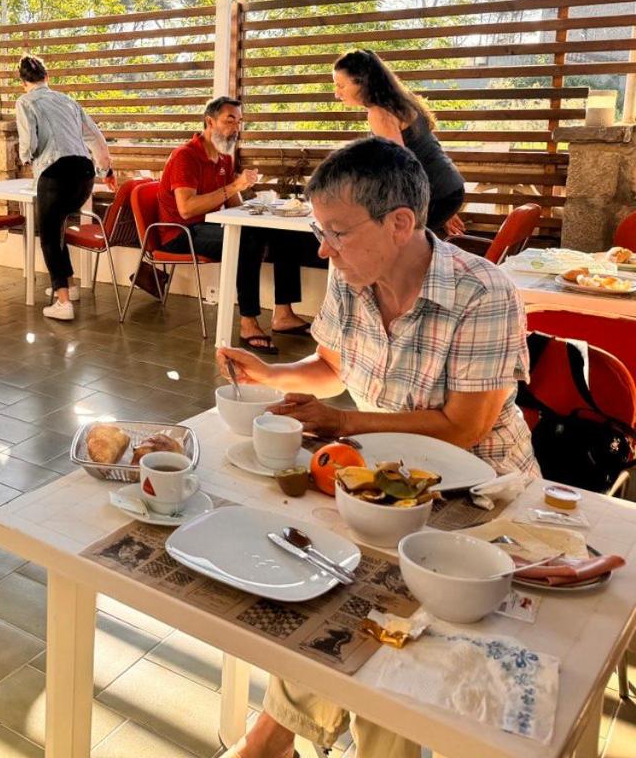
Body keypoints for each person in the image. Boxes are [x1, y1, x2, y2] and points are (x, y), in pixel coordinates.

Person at [217, 137, 537, 758]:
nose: (324, 249)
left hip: (481, 499)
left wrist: (342, 424)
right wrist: (268, 374)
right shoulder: (352, 279)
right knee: (327, 583)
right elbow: (332, 367)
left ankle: (273, 740)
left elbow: (464, 428)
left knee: (387, 616)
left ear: (400, 223)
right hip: (384, 488)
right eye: (320, 232)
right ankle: (275, 740)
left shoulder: (482, 292)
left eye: (336, 233)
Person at [156, 96, 320, 353]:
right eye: (230, 120)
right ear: (210, 122)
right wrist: (234, 186)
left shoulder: (224, 158)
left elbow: (234, 205)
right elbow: (186, 209)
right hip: (181, 233)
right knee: (246, 240)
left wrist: (259, 205)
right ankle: (248, 322)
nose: (236, 128)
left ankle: (283, 314)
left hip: (209, 226)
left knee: (282, 234)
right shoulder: (185, 156)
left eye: (240, 121)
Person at [14, 53, 114, 321]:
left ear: (23, 82)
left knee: (48, 236)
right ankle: (69, 285)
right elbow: (95, 138)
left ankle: (63, 302)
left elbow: (29, 143)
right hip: (84, 175)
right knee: (57, 227)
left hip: (56, 174)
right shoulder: (68, 100)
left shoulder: (25, 101)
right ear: (47, 77)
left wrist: (26, 158)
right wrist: (106, 171)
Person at [333, 48, 466, 236]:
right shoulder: (401, 99)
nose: (336, 94)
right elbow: (425, 148)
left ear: (362, 83)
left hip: (437, 194)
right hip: (448, 189)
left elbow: (399, 170)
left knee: (387, 241)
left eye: (341, 86)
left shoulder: (380, 112)